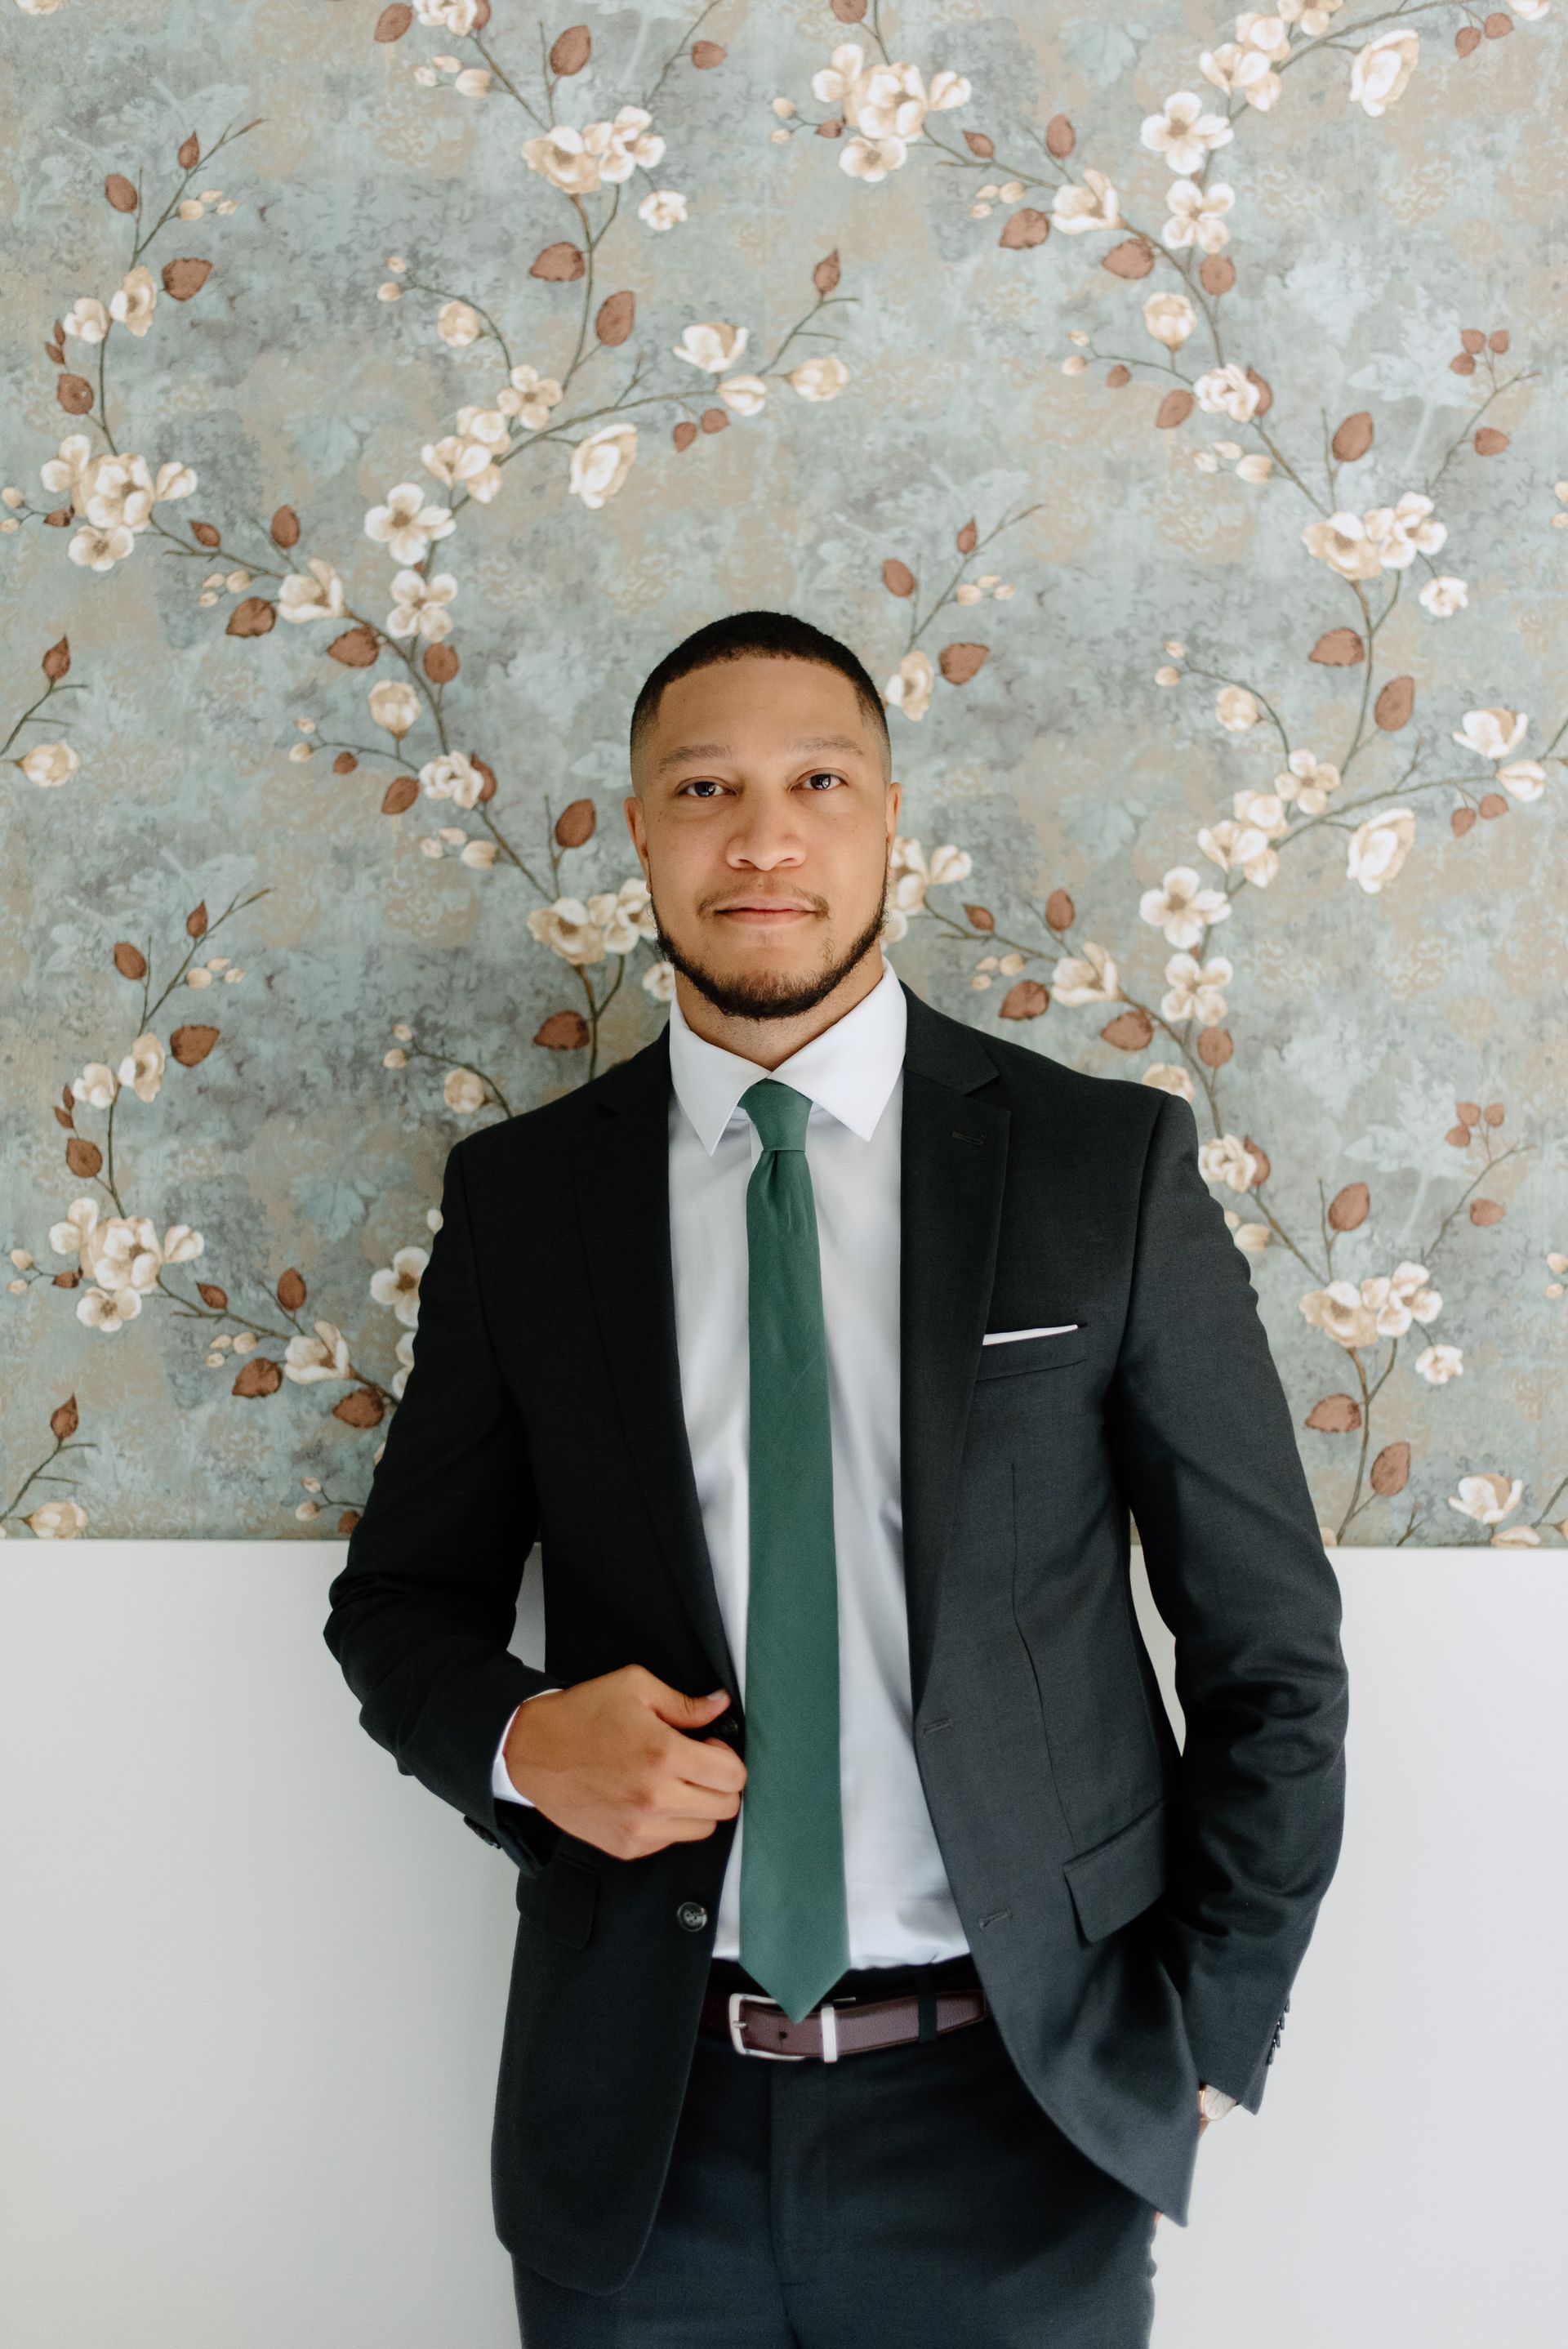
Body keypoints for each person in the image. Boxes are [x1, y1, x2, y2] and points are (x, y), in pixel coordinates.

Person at [323, 608, 1348, 2346]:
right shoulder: (524, 1205)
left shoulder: (1103, 1166)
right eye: (704, 786)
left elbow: (1272, 1655)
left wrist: (1202, 2049)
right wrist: (521, 1740)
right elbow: (401, 1605)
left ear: (891, 821)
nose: (764, 834)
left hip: (1025, 2113)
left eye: (819, 780)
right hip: (642, 2135)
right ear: (640, 834)